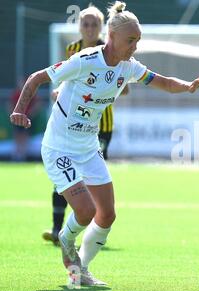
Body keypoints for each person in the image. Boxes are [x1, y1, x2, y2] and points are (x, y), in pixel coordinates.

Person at [10, 1, 199, 286]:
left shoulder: (128, 67)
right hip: (58, 148)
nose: (135, 46)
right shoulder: (84, 60)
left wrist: (187, 86)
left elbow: (162, 82)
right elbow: (36, 78)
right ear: (112, 37)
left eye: (138, 41)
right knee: (86, 211)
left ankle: (82, 271)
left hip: (89, 148)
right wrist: (19, 110)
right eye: (131, 40)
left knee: (108, 214)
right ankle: (66, 240)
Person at [42, 4, 129, 246]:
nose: (89, 29)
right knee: (64, 178)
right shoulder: (73, 49)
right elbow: (65, 78)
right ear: (79, 26)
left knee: (91, 181)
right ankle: (57, 228)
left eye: (94, 24)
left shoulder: (114, 49)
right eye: (85, 24)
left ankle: (89, 229)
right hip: (71, 126)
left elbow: (125, 86)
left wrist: (102, 89)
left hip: (101, 126)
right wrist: (61, 91)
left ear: (102, 28)